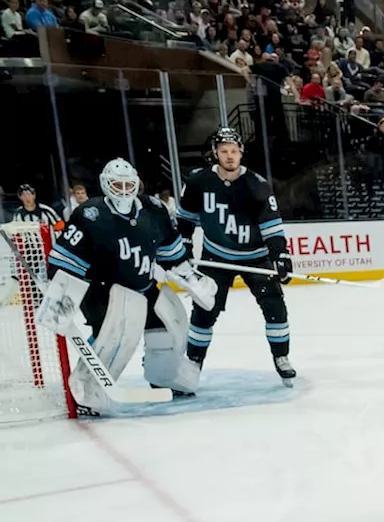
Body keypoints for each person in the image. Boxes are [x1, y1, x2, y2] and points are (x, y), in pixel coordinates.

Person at [33, 158, 217, 414]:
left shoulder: (153, 209)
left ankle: (164, 374)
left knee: (170, 323)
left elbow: (172, 253)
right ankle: (87, 388)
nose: (123, 190)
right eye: (116, 185)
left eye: (127, 184)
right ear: (105, 185)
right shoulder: (90, 214)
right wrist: (59, 294)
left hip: (143, 284)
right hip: (99, 288)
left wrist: (193, 280)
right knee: (116, 333)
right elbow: (64, 261)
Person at [176, 127, 296, 385]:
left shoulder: (257, 184)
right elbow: (185, 219)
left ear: (241, 153)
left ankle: (281, 357)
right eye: (224, 151)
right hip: (216, 257)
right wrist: (183, 249)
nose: (229, 156)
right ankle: (193, 361)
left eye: (234, 151)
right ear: (215, 153)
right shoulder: (198, 182)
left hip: (255, 256)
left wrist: (281, 255)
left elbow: (272, 226)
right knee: (205, 310)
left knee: (274, 306)